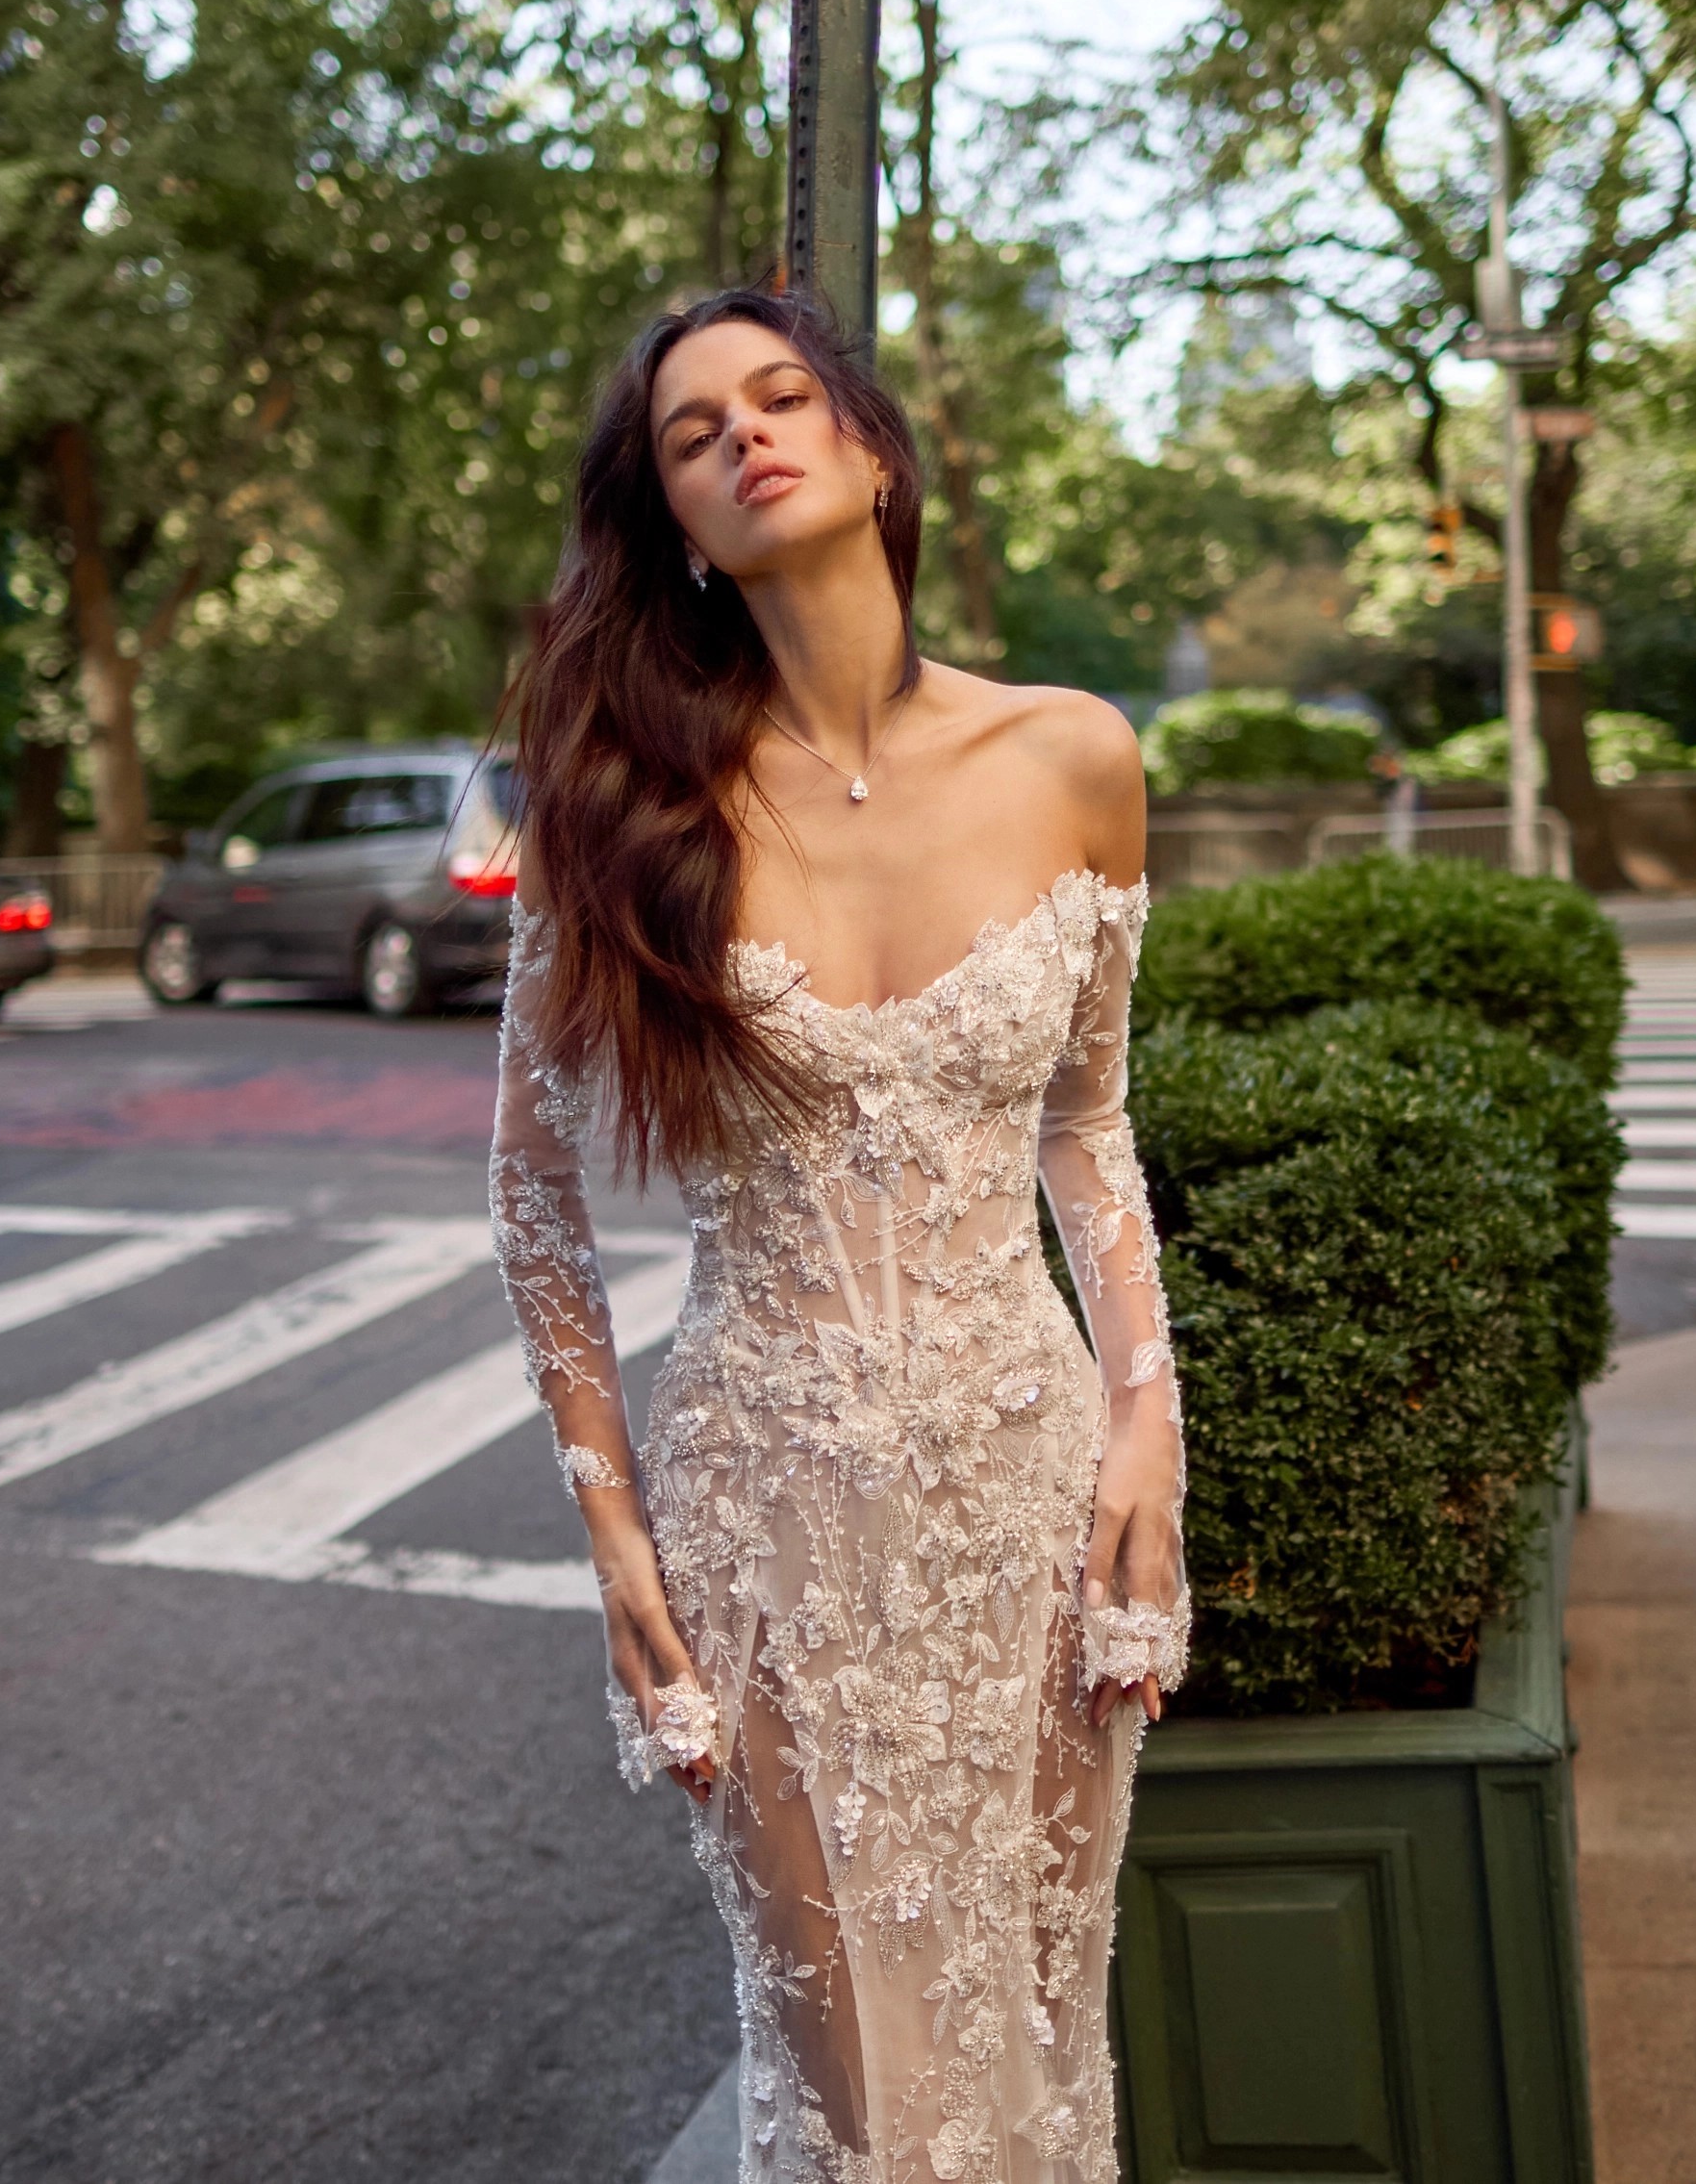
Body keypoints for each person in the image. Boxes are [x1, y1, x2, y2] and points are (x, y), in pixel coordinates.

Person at [490, 284, 1188, 2184]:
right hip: (764, 1507)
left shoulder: (1072, 755)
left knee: (1038, 2030)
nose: (740, 435)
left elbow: (1087, 1123)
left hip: (1028, 1488)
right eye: (690, 434)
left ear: (871, 449)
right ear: (676, 527)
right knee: (853, 2082)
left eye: (779, 396)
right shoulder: (630, 808)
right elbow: (532, 1196)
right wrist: (617, 1546)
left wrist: (1148, 1420)